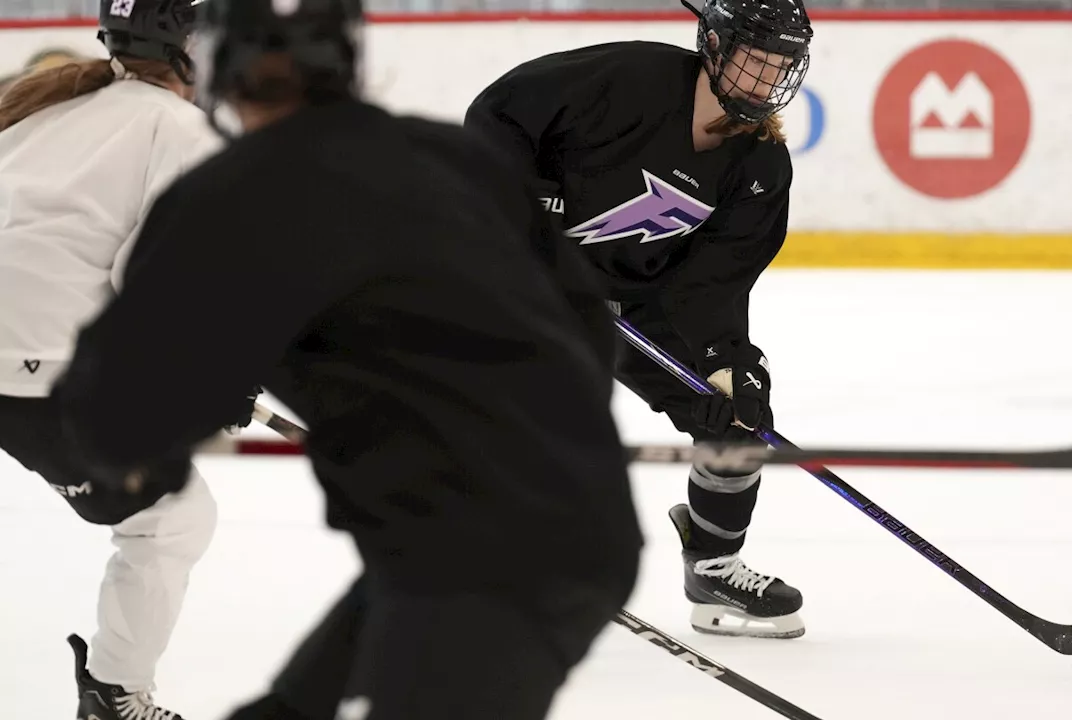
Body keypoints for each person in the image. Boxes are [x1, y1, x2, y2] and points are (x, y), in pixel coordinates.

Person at [50, 0, 643, 718]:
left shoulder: (227, 196)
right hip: (539, 525)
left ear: (218, 67)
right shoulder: (448, 153)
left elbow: (113, 422)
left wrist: (162, 440)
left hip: (485, 564)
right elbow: (586, 330)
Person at [464, 0, 814, 640]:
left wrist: (729, 368)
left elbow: (713, 285)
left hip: (640, 301)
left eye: (780, 66)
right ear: (713, 45)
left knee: (738, 427)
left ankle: (713, 569)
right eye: (756, 59)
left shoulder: (760, 167)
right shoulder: (629, 80)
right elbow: (500, 114)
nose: (766, 80)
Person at [0, 2, 226, 718]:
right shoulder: (180, 128)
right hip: (36, 369)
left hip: (27, 357)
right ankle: (114, 695)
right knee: (172, 517)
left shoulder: (48, 108)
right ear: (186, 47)